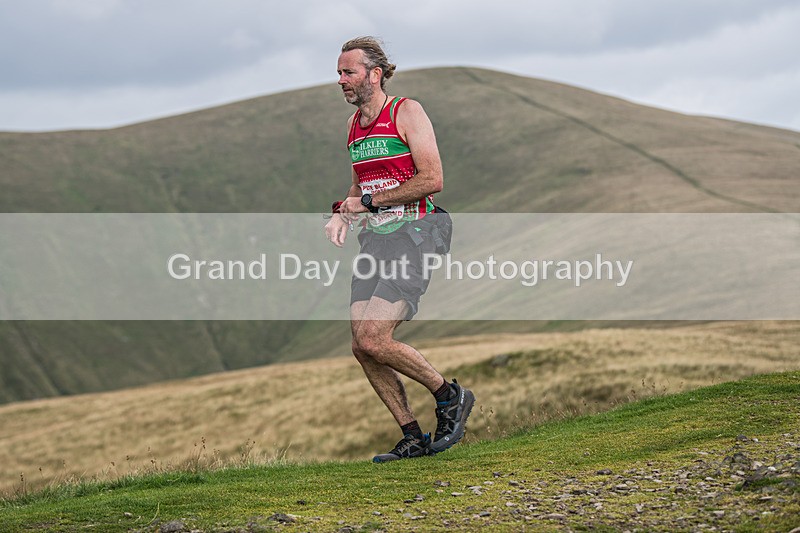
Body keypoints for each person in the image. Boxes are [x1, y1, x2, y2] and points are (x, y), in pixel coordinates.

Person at [324, 36, 475, 463]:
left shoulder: (406, 111)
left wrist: (369, 202)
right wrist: (341, 213)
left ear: (374, 74)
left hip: (417, 233)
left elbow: (432, 178)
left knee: (375, 335)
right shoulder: (354, 127)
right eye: (338, 72)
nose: (340, 80)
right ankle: (411, 435)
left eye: (347, 72)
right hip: (376, 239)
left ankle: (450, 396)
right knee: (360, 344)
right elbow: (360, 185)